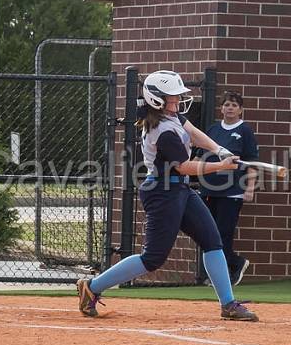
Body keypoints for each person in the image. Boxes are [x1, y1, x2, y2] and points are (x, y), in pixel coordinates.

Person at [76, 71, 258, 321]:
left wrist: (218, 149)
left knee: (212, 240)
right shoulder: (162, 131)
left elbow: (192, 131)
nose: (179, 100)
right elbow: (185, 167)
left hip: (180, 189)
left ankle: (228, 304)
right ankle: (92, 286)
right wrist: (220, 166)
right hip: (162, 192)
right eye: (174, 97)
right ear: (157, 100)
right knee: (152, 258)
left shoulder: (172, 117)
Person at [198, 92, 258, 286]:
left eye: (234, 105)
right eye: (226, 105)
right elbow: (200, 157)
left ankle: (230, 269)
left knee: (224, 232)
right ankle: (232, 263)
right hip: (208, 189)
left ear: (240, 109)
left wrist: (250, 188)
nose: (230, 108)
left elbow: (251, 162)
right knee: (208, 233)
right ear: (221, 108)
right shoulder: (213, 130)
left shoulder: (245, 131)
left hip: (232, 190)